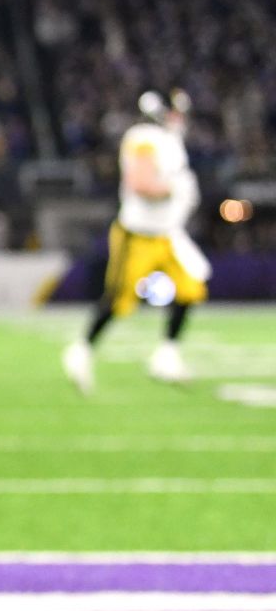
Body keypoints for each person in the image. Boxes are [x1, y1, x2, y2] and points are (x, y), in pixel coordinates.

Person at [63, 89, 208, 391]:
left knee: (191, 285)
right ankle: (82, 350)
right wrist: (175, 190)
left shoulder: (168, 140)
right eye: (176, 112)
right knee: (118, 299)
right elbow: (140, 183)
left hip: (167, 233)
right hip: (139, 234)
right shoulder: (144, 137)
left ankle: (167, 356)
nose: (180, 119)